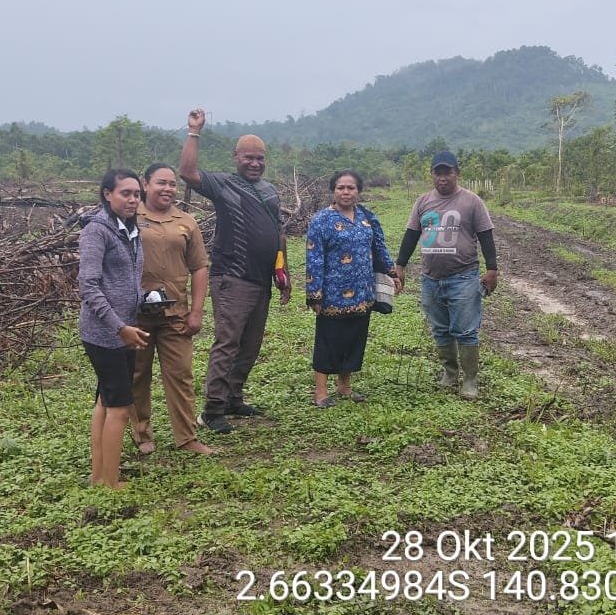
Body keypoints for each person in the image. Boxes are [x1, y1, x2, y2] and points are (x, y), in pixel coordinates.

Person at [179, 108, 291, 434]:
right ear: (236, 157)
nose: (254, 163)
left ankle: (233, 397)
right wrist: (194, 131)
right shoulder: (223, 185)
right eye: (248, 158)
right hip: (232, 278)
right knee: (228, 342)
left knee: (251, 344)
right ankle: (212, 410)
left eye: (259, 158)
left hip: (262, 280)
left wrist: (283, 274)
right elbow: (187, 171)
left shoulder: (270, 191)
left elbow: (278, 233)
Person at [391, 150, 498, 399]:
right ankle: (450, 373)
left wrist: (492, 269)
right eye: (438, 173)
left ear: (457, 173)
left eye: (447, 172)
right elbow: (410, 235)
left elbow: (486, 236)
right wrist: (400, 265)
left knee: (466, 330)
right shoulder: (422, 201)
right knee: (440, 329)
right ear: (432, 175)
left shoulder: (472, 201)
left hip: (463, 276)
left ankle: (470, 380)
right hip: (430, 279)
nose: (442, 178)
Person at [132, 163, 215, 456]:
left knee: (180, 374)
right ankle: (141, 434)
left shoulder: (186, 222)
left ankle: (187, 437)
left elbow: (199, 267)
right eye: (160, 183)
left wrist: (197, 311)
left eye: (171, 184)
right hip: (136, 313)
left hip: (176, 312)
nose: (167, 189)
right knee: (137, 374)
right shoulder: (130, 217)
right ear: (145, 185)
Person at [78, 169, 150, 486]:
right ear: (107, 194)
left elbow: (125, 281)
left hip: (123, 329)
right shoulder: (98, 232)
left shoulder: (131, 231)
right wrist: (119, 326)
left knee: (104, 403)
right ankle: (110, 482)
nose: (133, 199)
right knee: (119, 408)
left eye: (136, 194)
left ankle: (98, 475)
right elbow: (88, 286)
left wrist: (145, 299)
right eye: (125, 193)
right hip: (106, 335)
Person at [305, 171, 397, 407]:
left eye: (351, 188)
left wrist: (392, 271)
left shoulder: (367, 217)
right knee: (328, 340)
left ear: (358, 191)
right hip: (333, 294)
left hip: (362, 292)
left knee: (354, 339)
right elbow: (314, 258)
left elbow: (379, 247)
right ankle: (321, 392)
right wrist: (314, 293)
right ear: (333, 191)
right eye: (340, 188)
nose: (346, 192)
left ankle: (344, 387)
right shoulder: (321, 220)